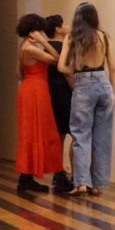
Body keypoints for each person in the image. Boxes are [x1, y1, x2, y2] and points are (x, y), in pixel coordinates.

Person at [58, 2, 115, 197]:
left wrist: (78, 70)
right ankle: (97, 184)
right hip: (104, 84)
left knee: (81, 135)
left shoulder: (72, 38)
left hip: (83, 85)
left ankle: (82, 182)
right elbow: (113, 68)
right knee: (102, 137)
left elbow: (61, 67)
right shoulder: (104, 37)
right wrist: (113, 92)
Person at [14, 14, 64, 193]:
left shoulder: (23, 46)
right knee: (36, 131)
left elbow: (18, 73)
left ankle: (27, 177)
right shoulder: (31, 49)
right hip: (36, 90)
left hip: (29, 88)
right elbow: (57, 59)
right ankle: (26, 178)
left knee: (31, 132)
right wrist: (44, 42)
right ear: (33, 31)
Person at [43, 14, 74, 194]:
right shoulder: (63, 47)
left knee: (58, 135)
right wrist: (76, 89)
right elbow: (68, 72)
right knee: (76, 134)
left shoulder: (45, 48)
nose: (68, 25)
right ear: (57, 29)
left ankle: (58, 172)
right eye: (64, 24)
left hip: (51, 93)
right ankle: (74, 175)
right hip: (64, 93)